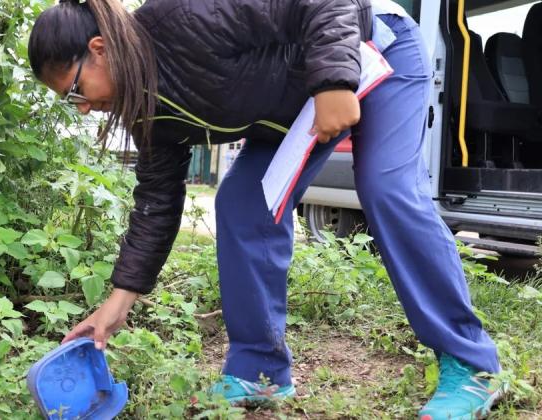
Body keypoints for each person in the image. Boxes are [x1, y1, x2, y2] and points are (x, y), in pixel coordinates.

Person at [27, 0, 507, 417]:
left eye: (73, 91)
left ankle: (472, 366)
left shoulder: (184, 17)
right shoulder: (145, 110)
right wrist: (117, 303)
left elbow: (321, 5)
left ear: (98, 49)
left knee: (385, 188)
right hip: (301, 102)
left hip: (372, 44)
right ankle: (260, 370)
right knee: (241, 204)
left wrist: (334, 81)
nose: (82, 108)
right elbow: (157, 203)